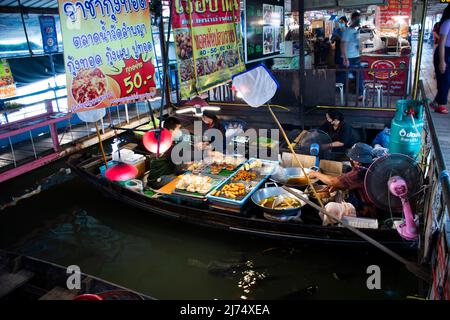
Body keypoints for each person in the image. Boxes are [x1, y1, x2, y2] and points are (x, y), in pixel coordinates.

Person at [307, 143, 377, 218]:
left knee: (330, 208)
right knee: (339, 189)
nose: (351, 159)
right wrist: (337, 186)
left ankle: (329, 227)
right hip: (360, 200)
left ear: (357, 160)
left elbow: (332, 181)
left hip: (365, 211)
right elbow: (347, 181)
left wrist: (316, 174)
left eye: (352, 158)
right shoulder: (370, 166)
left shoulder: (360, 173)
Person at [146, 117, 184, 189]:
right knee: (183, 182)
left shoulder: (165, 140)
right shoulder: (165, 145)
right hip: (158, 180)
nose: (180, 131)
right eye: (178, 129)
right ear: (170, 130)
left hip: (165, 174)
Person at [341, 10, 364, 100]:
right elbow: (343, 45)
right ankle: (345, 95)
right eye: (357, 19)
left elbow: (357, 44)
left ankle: (359, 94)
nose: (359, 21)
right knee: (351, 77)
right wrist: (345, 58)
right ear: (353, 19)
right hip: (350, 58)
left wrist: (360, 51)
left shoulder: (355, 31)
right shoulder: (347, 31)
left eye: (359, 19)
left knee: (359, 76)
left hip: (356, 57)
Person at [432, 5, 450, 114]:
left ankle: (436, 102)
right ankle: (441, 104)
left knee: (447, 79)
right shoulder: (447, 22)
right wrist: (442, 61)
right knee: (445, 79)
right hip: (443, 52)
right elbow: (441, 42)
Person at [332, 16, 348, 85]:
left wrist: (340, 37)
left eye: (342, 22)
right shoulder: (336, 30)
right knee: (338, 67)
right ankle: (338, 85)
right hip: (338, 51)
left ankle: (345, 85)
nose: (340, 23)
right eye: (340, 22)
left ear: (346, 22)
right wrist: (334, 38)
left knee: (345, 68)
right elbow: (332, 41)